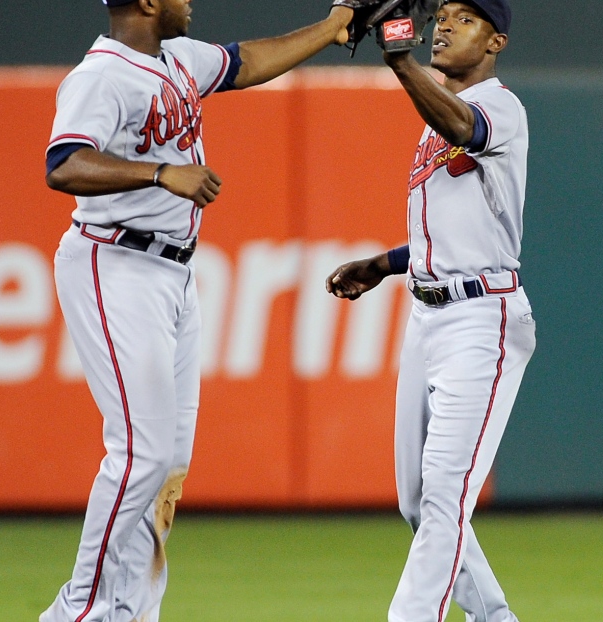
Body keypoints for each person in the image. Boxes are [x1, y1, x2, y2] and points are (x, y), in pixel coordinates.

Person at [41, 1, 361, 620]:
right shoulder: (101, 75)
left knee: (166, 468)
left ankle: (133, 614)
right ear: (148, 3)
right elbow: (63, 165)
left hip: (174, 272)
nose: (191, 1)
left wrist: (333, 23)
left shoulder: (177, 58)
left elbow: (245, 62)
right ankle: (78, 611)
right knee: (142, 453)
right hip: (116, 263)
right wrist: (160, 173)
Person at [325, 1, 533, 620]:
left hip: (482, 320)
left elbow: (463, 127)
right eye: (442, 14)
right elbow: (450, 235)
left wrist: (399, 59)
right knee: (416, 502)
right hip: (428, 315)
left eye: (464, 19)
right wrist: (384, 264)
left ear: (495, 41)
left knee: (444, 497)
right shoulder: (432, 119)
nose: (444, 24)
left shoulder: (501, 107)